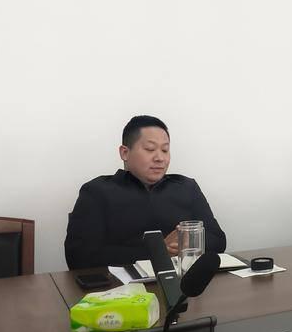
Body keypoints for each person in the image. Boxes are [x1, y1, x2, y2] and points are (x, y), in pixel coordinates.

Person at [65, 116, 227, 270]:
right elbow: (78, 257)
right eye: (150, 149)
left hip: (184, 280)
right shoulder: (97, 191)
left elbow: (218, 240)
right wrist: (158, 251)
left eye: (165, 150)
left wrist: (187, 242)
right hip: (121, 285)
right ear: (125, 153)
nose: (160, 158)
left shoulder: (186, 187)